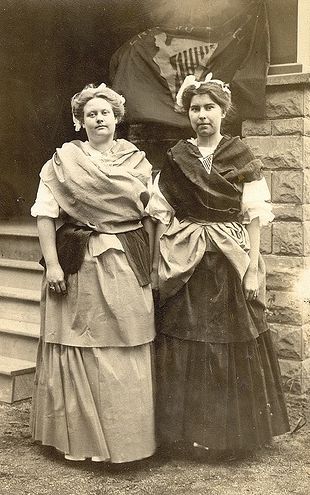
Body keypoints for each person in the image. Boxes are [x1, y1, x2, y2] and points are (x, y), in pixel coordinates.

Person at [148, 73, 290, 456]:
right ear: (188, 114)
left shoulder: (239, 153)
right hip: (189, 256)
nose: (202, 115)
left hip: (230, 257)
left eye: (209, 107)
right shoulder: (178, 156)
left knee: (232, 338)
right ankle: (186, 433)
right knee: (186, 335)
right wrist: (164, 254)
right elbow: (161, 210)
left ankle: (231, 436)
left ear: (223, 111)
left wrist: (252, 267)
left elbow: (254, 214)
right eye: (195, 109)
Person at [30, 83, 156, 463]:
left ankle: (124, 439)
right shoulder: (62, 162)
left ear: (117, 119)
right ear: (79, 122)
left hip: (126, 259)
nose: (99, 119)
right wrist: (52, 263)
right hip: (78, 261)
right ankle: (80, 442)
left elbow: (153, 215)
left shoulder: (138, 162)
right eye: (91, 114)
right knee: (79, 341)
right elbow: (45, 214)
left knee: (126, 338)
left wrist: (151, 261)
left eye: (105, 113)